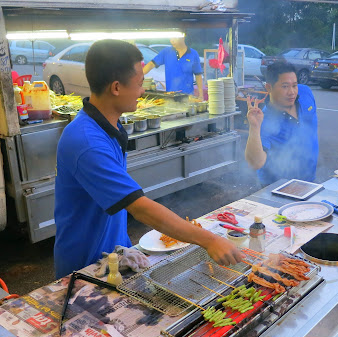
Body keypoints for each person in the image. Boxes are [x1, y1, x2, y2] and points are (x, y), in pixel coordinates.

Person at [54, 39, 242, 278]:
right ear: (116, 87)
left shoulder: (107, 124)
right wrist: (209, 240)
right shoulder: (86, 142)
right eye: (140, 83)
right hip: (85, 268)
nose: (142, 91)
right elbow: (140, 209)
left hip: (114, 255)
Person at [245, 61, 318, 186]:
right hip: (277, 189)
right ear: (269, 88)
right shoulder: (265, 120)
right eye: (285, 86)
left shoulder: (305, 93)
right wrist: (254, 128)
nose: (292, 92)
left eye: (294, 85)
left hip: (309, 182)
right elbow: (256, 163)